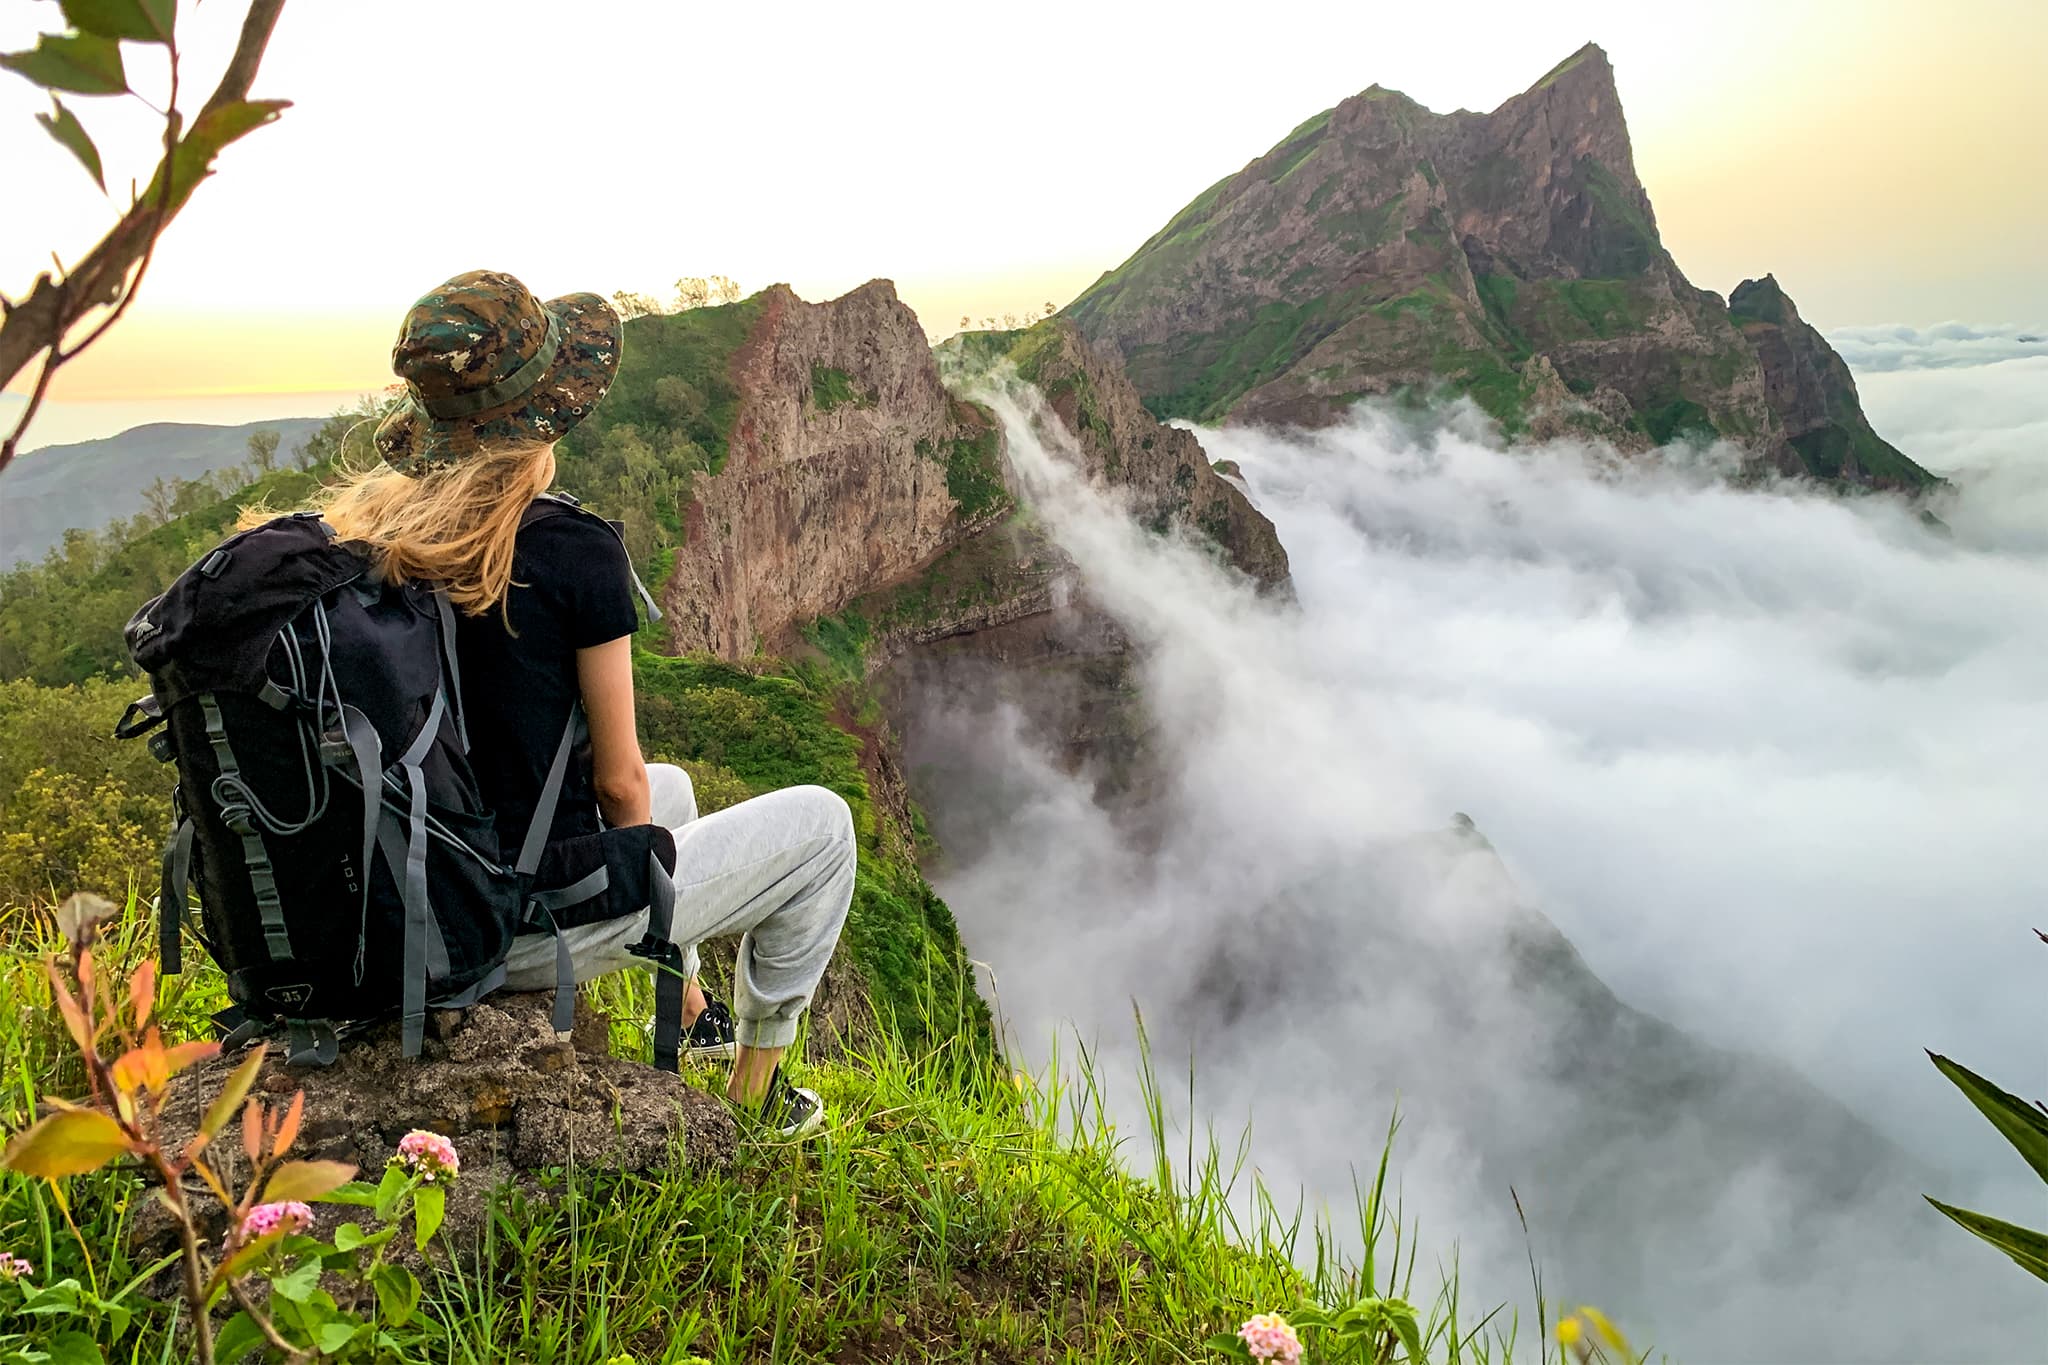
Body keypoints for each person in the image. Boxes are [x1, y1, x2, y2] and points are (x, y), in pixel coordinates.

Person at [317, 269, 852, 1136]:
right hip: (511, 925)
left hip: (415, 897)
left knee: (674, 789)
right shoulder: (573, 551)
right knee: (823, 827)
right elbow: (617, 786)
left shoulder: (382, 543)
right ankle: (755, 1106)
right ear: (544, 419)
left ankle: (690, 1015)